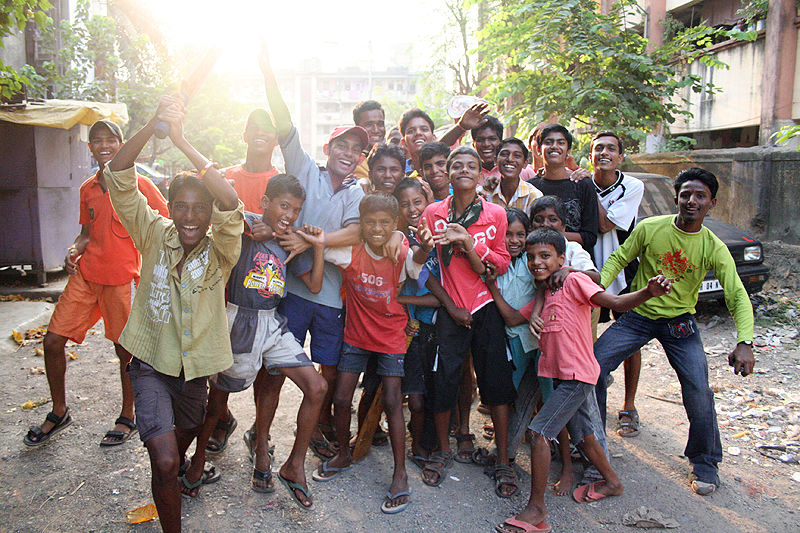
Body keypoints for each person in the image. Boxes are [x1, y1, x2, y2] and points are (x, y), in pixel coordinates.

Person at [104, 95, 244, 533]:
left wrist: (181, 140)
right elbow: (119, 176)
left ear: (209, 216)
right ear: (168, 208)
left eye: (198, 209)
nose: (189, 216)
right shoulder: (153, 232)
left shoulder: (221, 248)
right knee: (166, 461)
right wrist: (151, 125)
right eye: (180, 206)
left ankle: (169, 476)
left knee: (174, 451)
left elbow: (230, 198)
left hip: (194, 375)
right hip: (149, 365)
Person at [257, 43, 402, 458]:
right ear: (328, 150)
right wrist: (268, 70)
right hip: (292, 291)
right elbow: (283, 123)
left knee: (329, 370)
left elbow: (359, 233)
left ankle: (316, 431)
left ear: (361, 157)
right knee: (274, 370)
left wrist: (310, 239)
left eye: (355, 150)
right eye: (341, 146)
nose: (348, 153)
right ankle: (263, 435)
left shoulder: (360, 193)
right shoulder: (304, 169)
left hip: (332, 299)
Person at [495, 227, 671, 533]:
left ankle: (536, 510)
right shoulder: (545, 291)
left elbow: (614, 303)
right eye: (532, 257)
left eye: (546, 256)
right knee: (582, 436)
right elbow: (512, 318)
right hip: (559, 376)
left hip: (577, 376)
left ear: (562, 258)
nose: (537, 262)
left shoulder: (573, 280)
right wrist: (490, 284)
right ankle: (612, 482)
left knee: (539, 434)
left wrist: (647, 293)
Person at [593, 167, 756, 496]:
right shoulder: (651, 227)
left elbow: (737, 294)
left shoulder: (713, 246)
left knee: (698, 390)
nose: (692, 201)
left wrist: (745, 341)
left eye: (700, 196)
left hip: (680, 322)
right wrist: (596, 287)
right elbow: (618, 258)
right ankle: (593, 445)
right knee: (592, 369)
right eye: (686, 195)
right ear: (677, 198)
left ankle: (705, 461)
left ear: (712, 203)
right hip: (639, 313)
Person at [181, 175, 328, 511]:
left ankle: (293, 466)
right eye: (283, 205)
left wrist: (317, 247)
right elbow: (229, 206)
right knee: (217, 399)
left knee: (316, 387)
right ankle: (197, 459)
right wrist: (264, 227)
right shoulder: (246, 223)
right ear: (265, 202)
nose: (289, 214)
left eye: (296, 209)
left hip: (272, 323)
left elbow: (316, 285)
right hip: (237, 321)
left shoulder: (290, 241)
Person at [24, 119, 169, 448]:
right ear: (89, 148)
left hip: (122, 280)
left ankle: (127, 415)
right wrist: (74, 249)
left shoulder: (141, 184)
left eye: (111, 140)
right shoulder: (87, 189)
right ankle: (59, 411)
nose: (104, 145)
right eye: (97, 140)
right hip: (86, 277)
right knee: (51, 342)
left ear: (121, 144)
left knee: (125, 353)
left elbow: (168, 222)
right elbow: (86, 234)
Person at [311, 193, 431, 515]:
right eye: (370, 222)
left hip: (392, 336)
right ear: (360, 225)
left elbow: (417, 261)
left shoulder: (399, 251)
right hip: (356, 335)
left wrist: (423, 245)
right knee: (339, 398)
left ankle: (400, 473)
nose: (377, 229)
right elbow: (321, 244)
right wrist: (311, 240)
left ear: (395, 225)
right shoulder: (351, 251)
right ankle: (343, 454)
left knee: (393, 402)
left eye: (384, 223)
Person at [420, 146, 518, 498]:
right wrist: (449, 305)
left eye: (471, 165)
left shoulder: (495, 213)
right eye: (456, 165)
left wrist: (468, 244)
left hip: (486, 306)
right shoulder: (433, 213)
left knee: (496, 385)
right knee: (444, 380)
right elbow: (424, 268)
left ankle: (503, 459)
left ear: (481, 174)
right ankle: (443, 451)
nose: (464, 170)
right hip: (451, 309)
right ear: (446, 173)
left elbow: (502, 263)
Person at [207, 108, 281, 455]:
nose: (261, 134)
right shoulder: (226, 177)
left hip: (264, 292)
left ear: (276, 138)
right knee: (220, 359)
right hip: (224, 286)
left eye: (268, 129)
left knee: (268, 365)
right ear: (245, 134)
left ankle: (260, 432)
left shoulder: (282, 181)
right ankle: (220, 418)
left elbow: (295, 231)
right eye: (255, 128)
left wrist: (276, 232)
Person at [589, 131, 645, 439]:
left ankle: (629, 405)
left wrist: (586, 187)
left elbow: (606, 224)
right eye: (598, 148)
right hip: (588, 271)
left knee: (630, 341)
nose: (604, 152)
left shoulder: (632, 186)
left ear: (620, 157)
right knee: (588, 336)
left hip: (624, 272)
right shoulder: (581, 181)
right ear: (591, 155)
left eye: (611, 148)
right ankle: (592, 397)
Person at [527, 124, 598, 256]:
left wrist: (549, 235)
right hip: (537, 263)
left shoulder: (582, 184)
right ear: (538, 149)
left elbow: (589, 237)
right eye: (548, 142)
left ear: (568, 150)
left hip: (575, 262)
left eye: (561, 142)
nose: (554, 146)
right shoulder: (531, 187)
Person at [222, 108, 280, 213]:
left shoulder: (282, 185)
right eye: (254, 128)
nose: (260, 132)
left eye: (267, 129)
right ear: (244, 136)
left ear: (277, 140)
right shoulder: (222, 178)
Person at [478, 137, 542, 214]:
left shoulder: (534, 197)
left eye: (517, 156)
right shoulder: (483, 194)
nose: (510, 159)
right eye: (504, 154)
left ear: (525, 163)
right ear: (496, 160)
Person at [352, 100, 387, 183]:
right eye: (369, 125)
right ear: (358, 128)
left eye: (380, 124)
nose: (375, 130)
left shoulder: (390, 157)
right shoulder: (351, 161)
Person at [399, 108, 436, 175]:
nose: (418, 133)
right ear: (403, 143)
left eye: (424, 129)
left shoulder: (446, 171)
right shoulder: (399, 172)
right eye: (411, 131)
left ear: (434, 138)